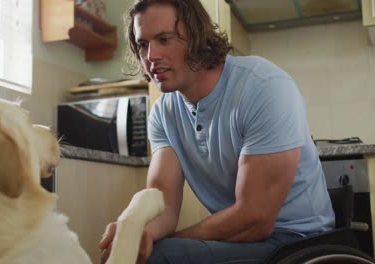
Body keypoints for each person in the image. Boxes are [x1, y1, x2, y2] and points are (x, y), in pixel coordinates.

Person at [100, 0, 335, 263]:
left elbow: (254, 219)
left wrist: (167, 241)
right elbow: (162, 204)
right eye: (143, 44)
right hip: (245, 239)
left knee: (159, 258)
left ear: (197, 37)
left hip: (298, 240)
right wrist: (137, 234)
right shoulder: (163, 113)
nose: (151, 56)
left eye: (164, 39)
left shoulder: (263, 87)